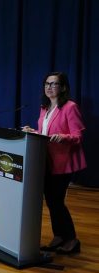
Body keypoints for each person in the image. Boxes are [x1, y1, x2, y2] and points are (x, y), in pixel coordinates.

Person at [22, 72, 86, 254]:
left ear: (63, 87)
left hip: (62, 162)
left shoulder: (70, 107)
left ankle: (72, 240)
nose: (49, 87)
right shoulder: (45, 107)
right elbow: (45, 133)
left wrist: (63, 137)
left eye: (54, 84)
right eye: (47, 84)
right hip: (45, 160)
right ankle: (59, 236)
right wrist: (33, 131)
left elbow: (78, 136)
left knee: (57, 201)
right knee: (50, 201)